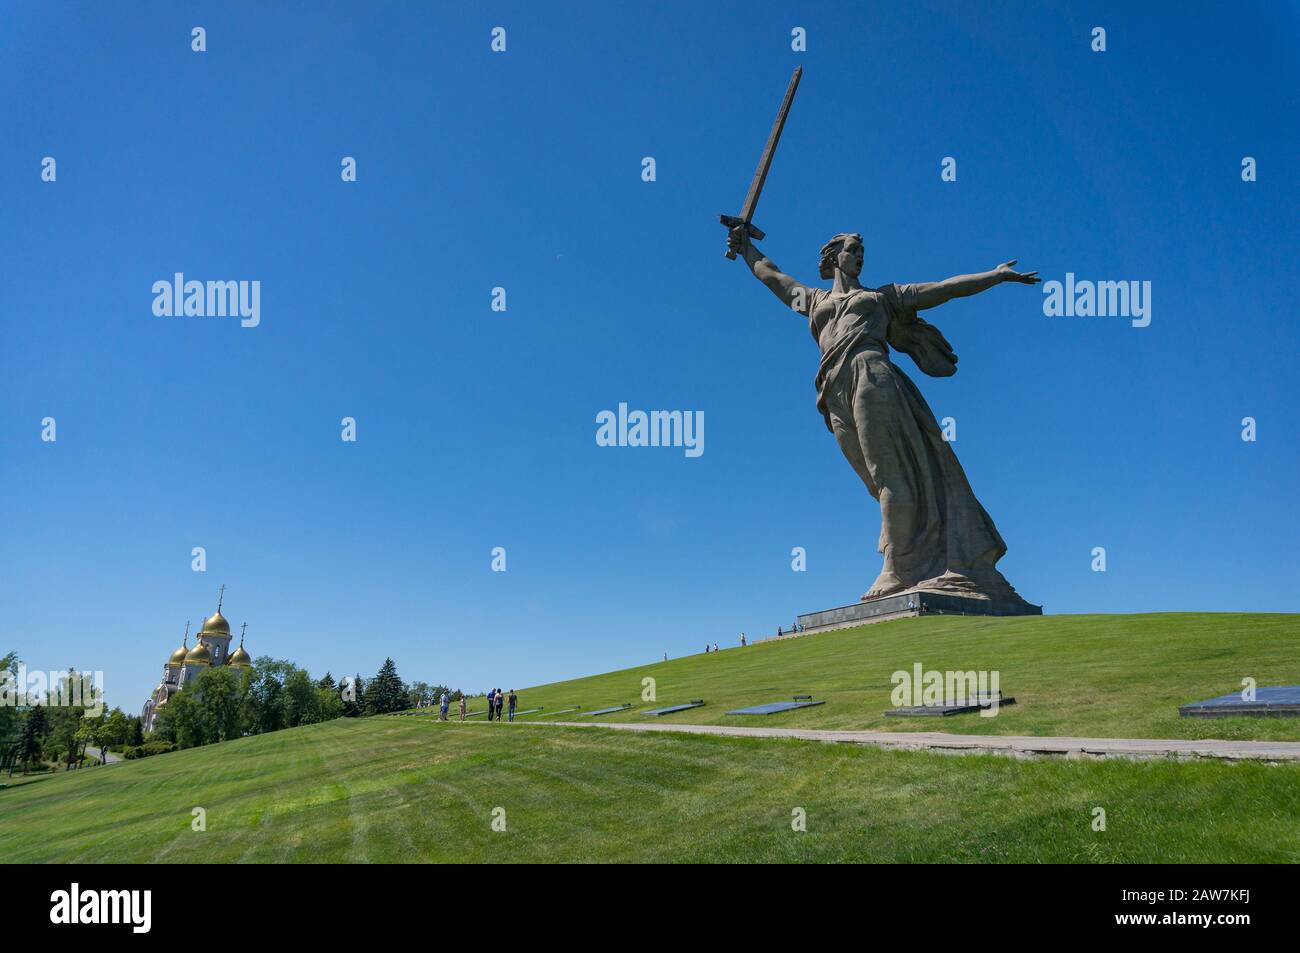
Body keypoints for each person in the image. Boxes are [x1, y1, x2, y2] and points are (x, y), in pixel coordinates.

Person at [726, 226, 1039, 602]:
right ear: (833, 257)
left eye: (862, 251)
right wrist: (746, 248)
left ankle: (895, 570)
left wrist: (994, 275)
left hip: (872, 374)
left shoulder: (883, 297)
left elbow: (943, 289)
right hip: (832, 390)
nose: (860, 256)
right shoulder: (811, 300)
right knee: (876, 482)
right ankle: (917, 556)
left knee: (889, 473)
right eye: (853, 250)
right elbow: (772, 275)